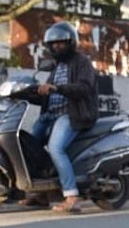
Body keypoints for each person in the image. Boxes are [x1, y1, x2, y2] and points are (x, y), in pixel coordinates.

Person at [19, 21, 98, 214]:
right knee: (29, 146)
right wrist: (27, 93)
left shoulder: (82, 62)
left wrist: (56, 88)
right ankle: (41, 193)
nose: (57, 46)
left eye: (61, 43)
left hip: (72, 115)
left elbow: (84, 88)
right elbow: (47, 95)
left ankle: (72, 196)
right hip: (50, 116)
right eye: (53, 44)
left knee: (56, 148)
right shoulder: (56, 67)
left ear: (71, 42)